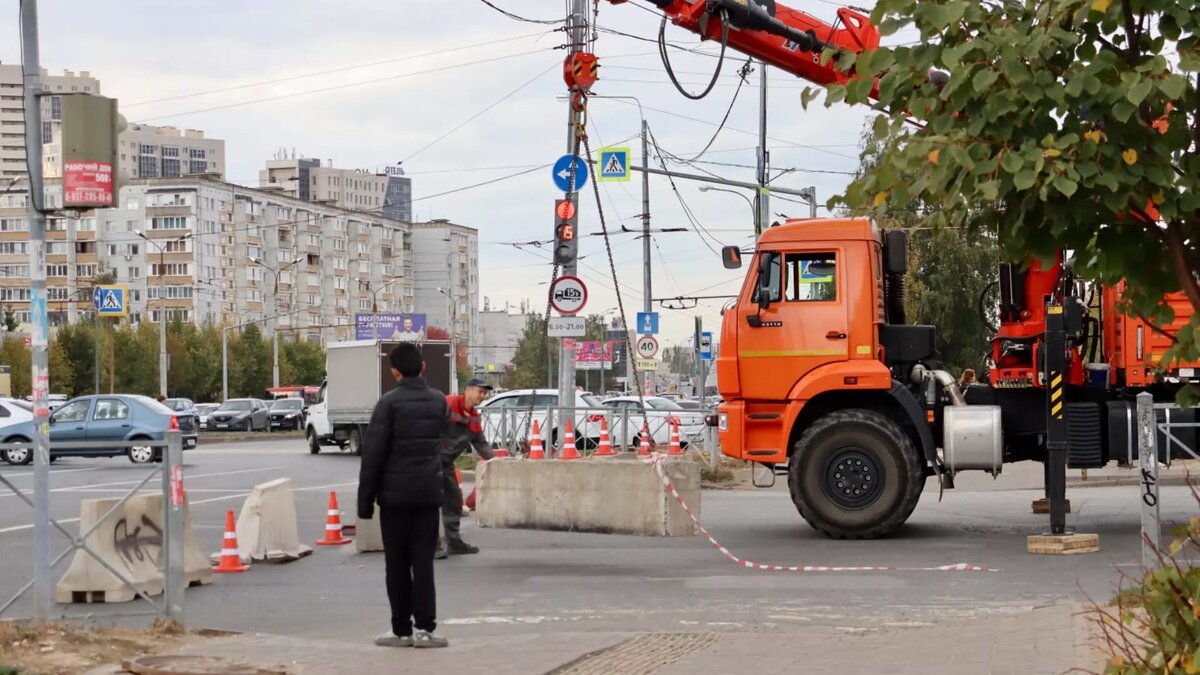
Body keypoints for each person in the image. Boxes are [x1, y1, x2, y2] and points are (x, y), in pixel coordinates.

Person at [358, 343, 450, 649]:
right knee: (423, 561)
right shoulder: (438, 401)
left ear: (394, 371)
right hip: (427, 494)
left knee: (396, 562)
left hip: (394, 497)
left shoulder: (388, 404)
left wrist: (365, 500)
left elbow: (373, 455)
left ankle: (400, 631)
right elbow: (444, 444)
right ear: (423, 367)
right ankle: (426, 630)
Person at [437, 378, 495, 557]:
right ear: (468, 390)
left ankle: (453, 542)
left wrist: (499, 462)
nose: (482, 396)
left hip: (445, 463)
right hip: (428, 460)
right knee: (429, 503)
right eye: (480, 391)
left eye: (485, 393)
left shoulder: (474, 417)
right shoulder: (448, 404)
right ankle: (430, 545)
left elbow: (481, 444)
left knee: (454, 500)